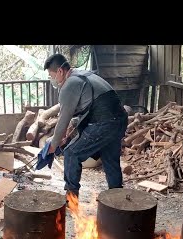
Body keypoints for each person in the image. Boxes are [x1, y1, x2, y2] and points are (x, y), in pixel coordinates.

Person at [43, 53, 128, 199]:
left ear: (60, 71)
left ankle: (71, 198)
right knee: (110, 158)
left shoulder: (69, 85)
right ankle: (117, 200)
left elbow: (63, 119)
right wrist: (67, 133)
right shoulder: (84, 75)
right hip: (120, 119)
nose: (52, 80)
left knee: (71, 153)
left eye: (51, 76)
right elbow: (87, 109)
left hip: (105, 123)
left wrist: (53, 144)